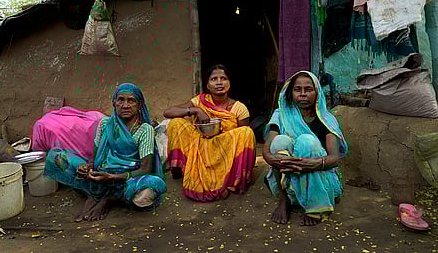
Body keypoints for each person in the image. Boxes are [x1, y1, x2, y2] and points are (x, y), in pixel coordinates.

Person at [44, 83, 166, 222]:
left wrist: (112, 177)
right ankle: (97, 192)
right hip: (101, 174)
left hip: (127, 178)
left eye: (131, 100)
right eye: (121, 100)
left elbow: (145, 169)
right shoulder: (104, 124)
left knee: (152, 186)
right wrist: (87, 167)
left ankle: (110, 199)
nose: (125, 105)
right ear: (114, 103)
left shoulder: (145, 129)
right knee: (56, 155)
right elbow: (95, 158)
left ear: (139, 105)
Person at [262, 71, 348, 226]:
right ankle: (284, 200)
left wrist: (315, 163)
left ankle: (314, 204)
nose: (302, 94)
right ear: (291, 92)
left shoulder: (326, 119)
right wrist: (273, 159)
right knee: (279, 141)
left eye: (308, 89)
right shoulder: (281, 115)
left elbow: (334, 158)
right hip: (288, 181)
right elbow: (267, 150)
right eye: (297, 90)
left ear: (317, 92)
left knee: (306, 141)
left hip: (319, 181)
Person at [164, 64, 256, 202]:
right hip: (199, 146)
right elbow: (168, 112)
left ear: (229, 83)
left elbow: (241, 141)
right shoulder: (199, 101)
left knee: (247, 133)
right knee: (176, 123)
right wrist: (195, 110)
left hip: (224, 153)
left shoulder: (239, 108)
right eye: (214, 79)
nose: (219, 82)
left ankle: (231, 180)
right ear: (207, 85)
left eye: (223, 78)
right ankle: (181, 169)